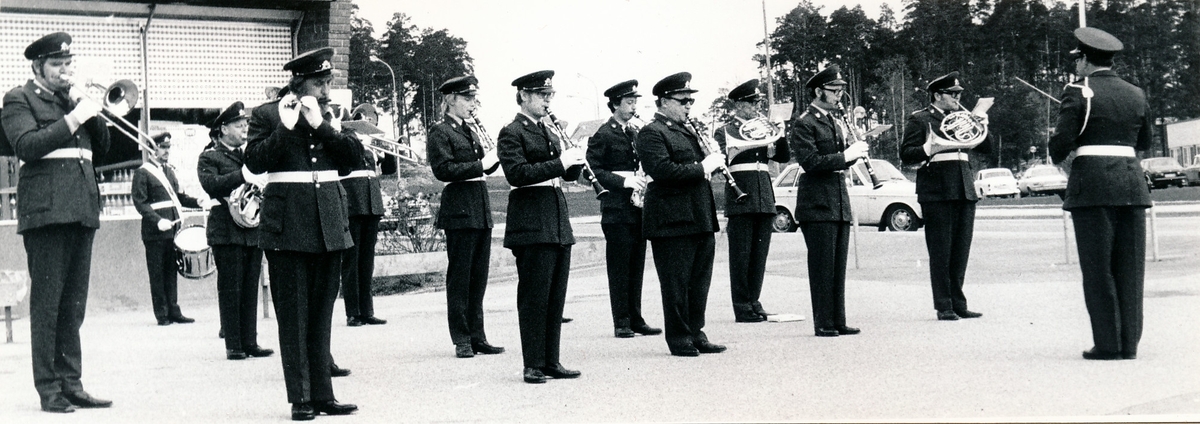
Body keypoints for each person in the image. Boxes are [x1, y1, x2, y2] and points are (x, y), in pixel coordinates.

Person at [1, 31, 116, 413]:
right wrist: (72, 118)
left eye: (69, 64)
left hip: (81, 210)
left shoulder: (74, 99)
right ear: (38, 67)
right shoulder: (19, 98)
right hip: (47, 214)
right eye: (57, 65)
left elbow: (103, 149)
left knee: (73, 306)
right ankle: (49, 389)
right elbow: (27, 146)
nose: (65, 71)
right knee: (48, 306)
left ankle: (72, 383)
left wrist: (92, 110)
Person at [244, 47, 358, 420]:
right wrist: (285, 128)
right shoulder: (266, 115)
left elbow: (353, 159)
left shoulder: (330, 115)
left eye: (328, 83)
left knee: (322, 315)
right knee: (294, 318)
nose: (326, 91)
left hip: (327, 223)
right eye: (318, 83)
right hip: (288, 225)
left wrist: (322, 126)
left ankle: (324, 395)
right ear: (298, 82)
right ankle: (302, 398)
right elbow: (255, 161)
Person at [1049, 27, 1151, 361]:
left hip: (1093, 185)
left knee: (1098, 269)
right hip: (1131, 184)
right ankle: (1129, 345)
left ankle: (1108, 344)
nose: (1075, 64)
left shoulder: (1077, 91)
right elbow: (1144, 143)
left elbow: (1059, 145)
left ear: (1085, 59)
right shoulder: (1136, 93)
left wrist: (1071, 143)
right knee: (1131, 269)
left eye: (1077, 58)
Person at [497, 70, 584, 384]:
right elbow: (517, 174)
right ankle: (532, 363)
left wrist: (574, 161)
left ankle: (551, 361)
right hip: (531, 220)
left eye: (550, 95)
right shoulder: (512, 131)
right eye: (541, 95)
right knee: (535, 296)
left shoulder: (548, 130)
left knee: (555, 297)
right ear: (523, 96)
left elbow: (563, 174)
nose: (548, 100)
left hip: (555, 218)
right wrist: (560, 163)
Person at [636, 72, 727, 356]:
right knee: (676, 283)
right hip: (671, 219)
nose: (689, 105)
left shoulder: (689, 129)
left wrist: (710, 156)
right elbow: (662, 170)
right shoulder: (652, 132)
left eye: (691, 100)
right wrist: (704, 167)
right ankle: (679, 338)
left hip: (698, 214)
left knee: (699, 281)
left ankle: (695, 332)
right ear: (664, 102)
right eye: (683, 100)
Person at [899, 71, 991, 321]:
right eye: (952, 94)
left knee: (961, 249)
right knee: (941, 249)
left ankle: (958, 302)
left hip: (964, 187)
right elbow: (906, 154)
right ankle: (944, 304)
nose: (957, 98)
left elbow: (987, 147)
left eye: (959, 94)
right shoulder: (920, 119)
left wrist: (981, 121)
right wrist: (928, 148)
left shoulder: (963, 118)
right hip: (937, 189)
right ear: (937, 95)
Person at [427, 75, 506, 358]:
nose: (473, 104)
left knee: (478, 277)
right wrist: (479, 165)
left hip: (478, 206)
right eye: (467, 99)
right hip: (459, 208)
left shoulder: (470, 131)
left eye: (474, 99)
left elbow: (481, 168)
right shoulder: (440, 131)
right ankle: (461, 337)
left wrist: (494, 160)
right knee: (460, 277)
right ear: (451, 100)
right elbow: (443, 169)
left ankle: (477, 335)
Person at [788, 65, 864, 338]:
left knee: (837, 265)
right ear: (819, 91)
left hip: (837, 198)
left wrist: (855, 152)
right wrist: (846, 156)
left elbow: (839, 157)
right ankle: (823, 322)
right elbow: (810, 162)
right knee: (822, 266)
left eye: (841, 90)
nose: (839, 95)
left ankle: (838, 319)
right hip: (817, 201)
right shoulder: (804, 122)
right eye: (834, 90)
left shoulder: (834, 120)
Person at [197, 101, 274, 360]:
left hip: (251, 228)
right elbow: (212, 185)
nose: (244, 130)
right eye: (239, 126)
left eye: (246, 125)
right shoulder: (209, 156)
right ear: (222, 129)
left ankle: (250, 341)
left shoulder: (247, 155)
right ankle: (234, 345)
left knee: (250, 286)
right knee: (231, 288)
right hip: (226, 230)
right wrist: (243, 175)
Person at [585, 79, 662, 338]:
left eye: (635, 102)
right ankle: (621, 321)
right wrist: (624, 181)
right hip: (616, 208)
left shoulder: (635, 132)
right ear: (615, 104)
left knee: (636, 265)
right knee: (619, 267)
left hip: (637, 206)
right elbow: (592, 170)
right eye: (629, 102)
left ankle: (636, 318)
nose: (633, 107)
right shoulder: (603, 134)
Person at [713, 80, 789, 323]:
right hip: (741, 194)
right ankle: (741, 305)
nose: (756, 107)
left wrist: (780, 134)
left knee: (759, 255)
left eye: (758, 102)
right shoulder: (725, 130)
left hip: (764, 193)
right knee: (741, 255)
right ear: (738, 104)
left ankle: (754, 301)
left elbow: (783, 156)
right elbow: (721, 161)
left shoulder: (764, 127)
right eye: (751, 102)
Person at [131, 132, 202, 326]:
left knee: (171, 272)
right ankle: (162, 314)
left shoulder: (169, 172)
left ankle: (174, 310)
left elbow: (177, 197)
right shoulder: (143, 172)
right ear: (152, 150)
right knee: (157, 273)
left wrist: (197, 201)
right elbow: (140, 203)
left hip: (172, 230)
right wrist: (156, 220)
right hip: (155, 232)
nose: (166, 151)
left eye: (168, 147)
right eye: (163, 147)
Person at [340, 105, 387, 328]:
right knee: (352, 259)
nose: (371, 121)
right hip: (353, 202)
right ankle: (353, 312)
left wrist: (382, 150)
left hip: (371, 203)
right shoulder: (349, 138)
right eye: (367, 118)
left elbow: (386, 169)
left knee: (367, 260)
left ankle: (367, 310)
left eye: (374, 119)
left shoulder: (372, 144)